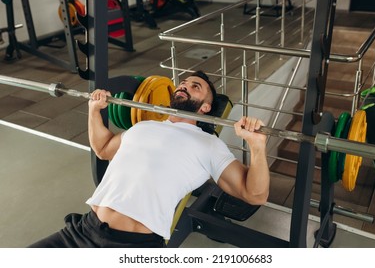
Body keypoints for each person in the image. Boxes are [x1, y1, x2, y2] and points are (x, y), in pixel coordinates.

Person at [29, 70, 270, 248]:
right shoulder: (143, 126)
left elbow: (255, 194)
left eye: (195, 86)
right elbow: (103, 148)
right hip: (83, 230)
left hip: (133, 245)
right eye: (182, 83)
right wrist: (94, 111)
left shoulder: (210, 145)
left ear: (206, 108)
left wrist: (257, 147)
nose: (183, 86)